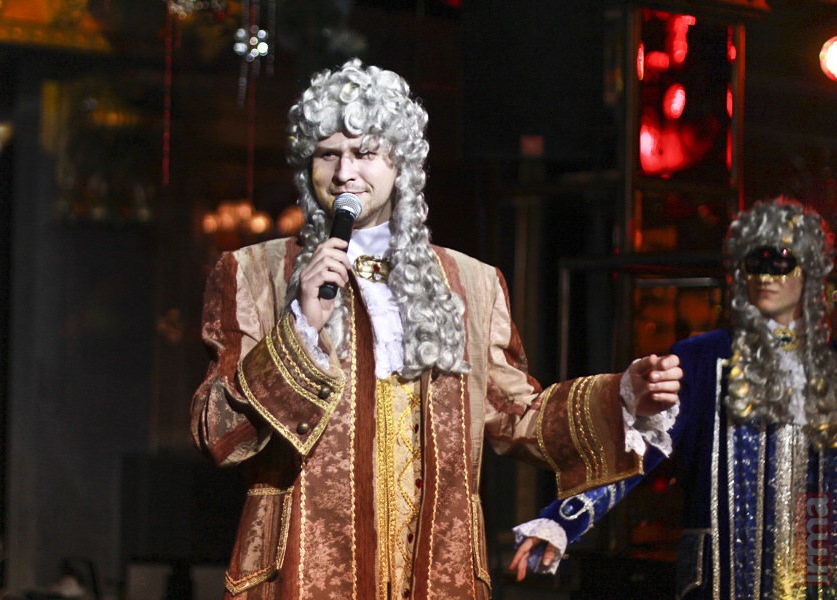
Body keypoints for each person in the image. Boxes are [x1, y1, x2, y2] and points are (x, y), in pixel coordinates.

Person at [191, 59, 682, 600]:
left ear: (400, 162)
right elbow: (217, 434)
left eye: (365, 152)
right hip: (304, 575)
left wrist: (622, 395)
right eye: (328, 154)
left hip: (437, 575)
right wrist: (300, 327)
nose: (344, 172)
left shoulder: (472, 283)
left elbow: (516, 414)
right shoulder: (254, 274)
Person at [509, 197, 837, 599]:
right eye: (754, 262)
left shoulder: (830, 364)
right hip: (720, 581)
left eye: (780, 261)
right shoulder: (702, 358)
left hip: (815, 576)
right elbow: (640, 450)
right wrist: (562, 521)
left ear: (811, 270)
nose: (764, 275)